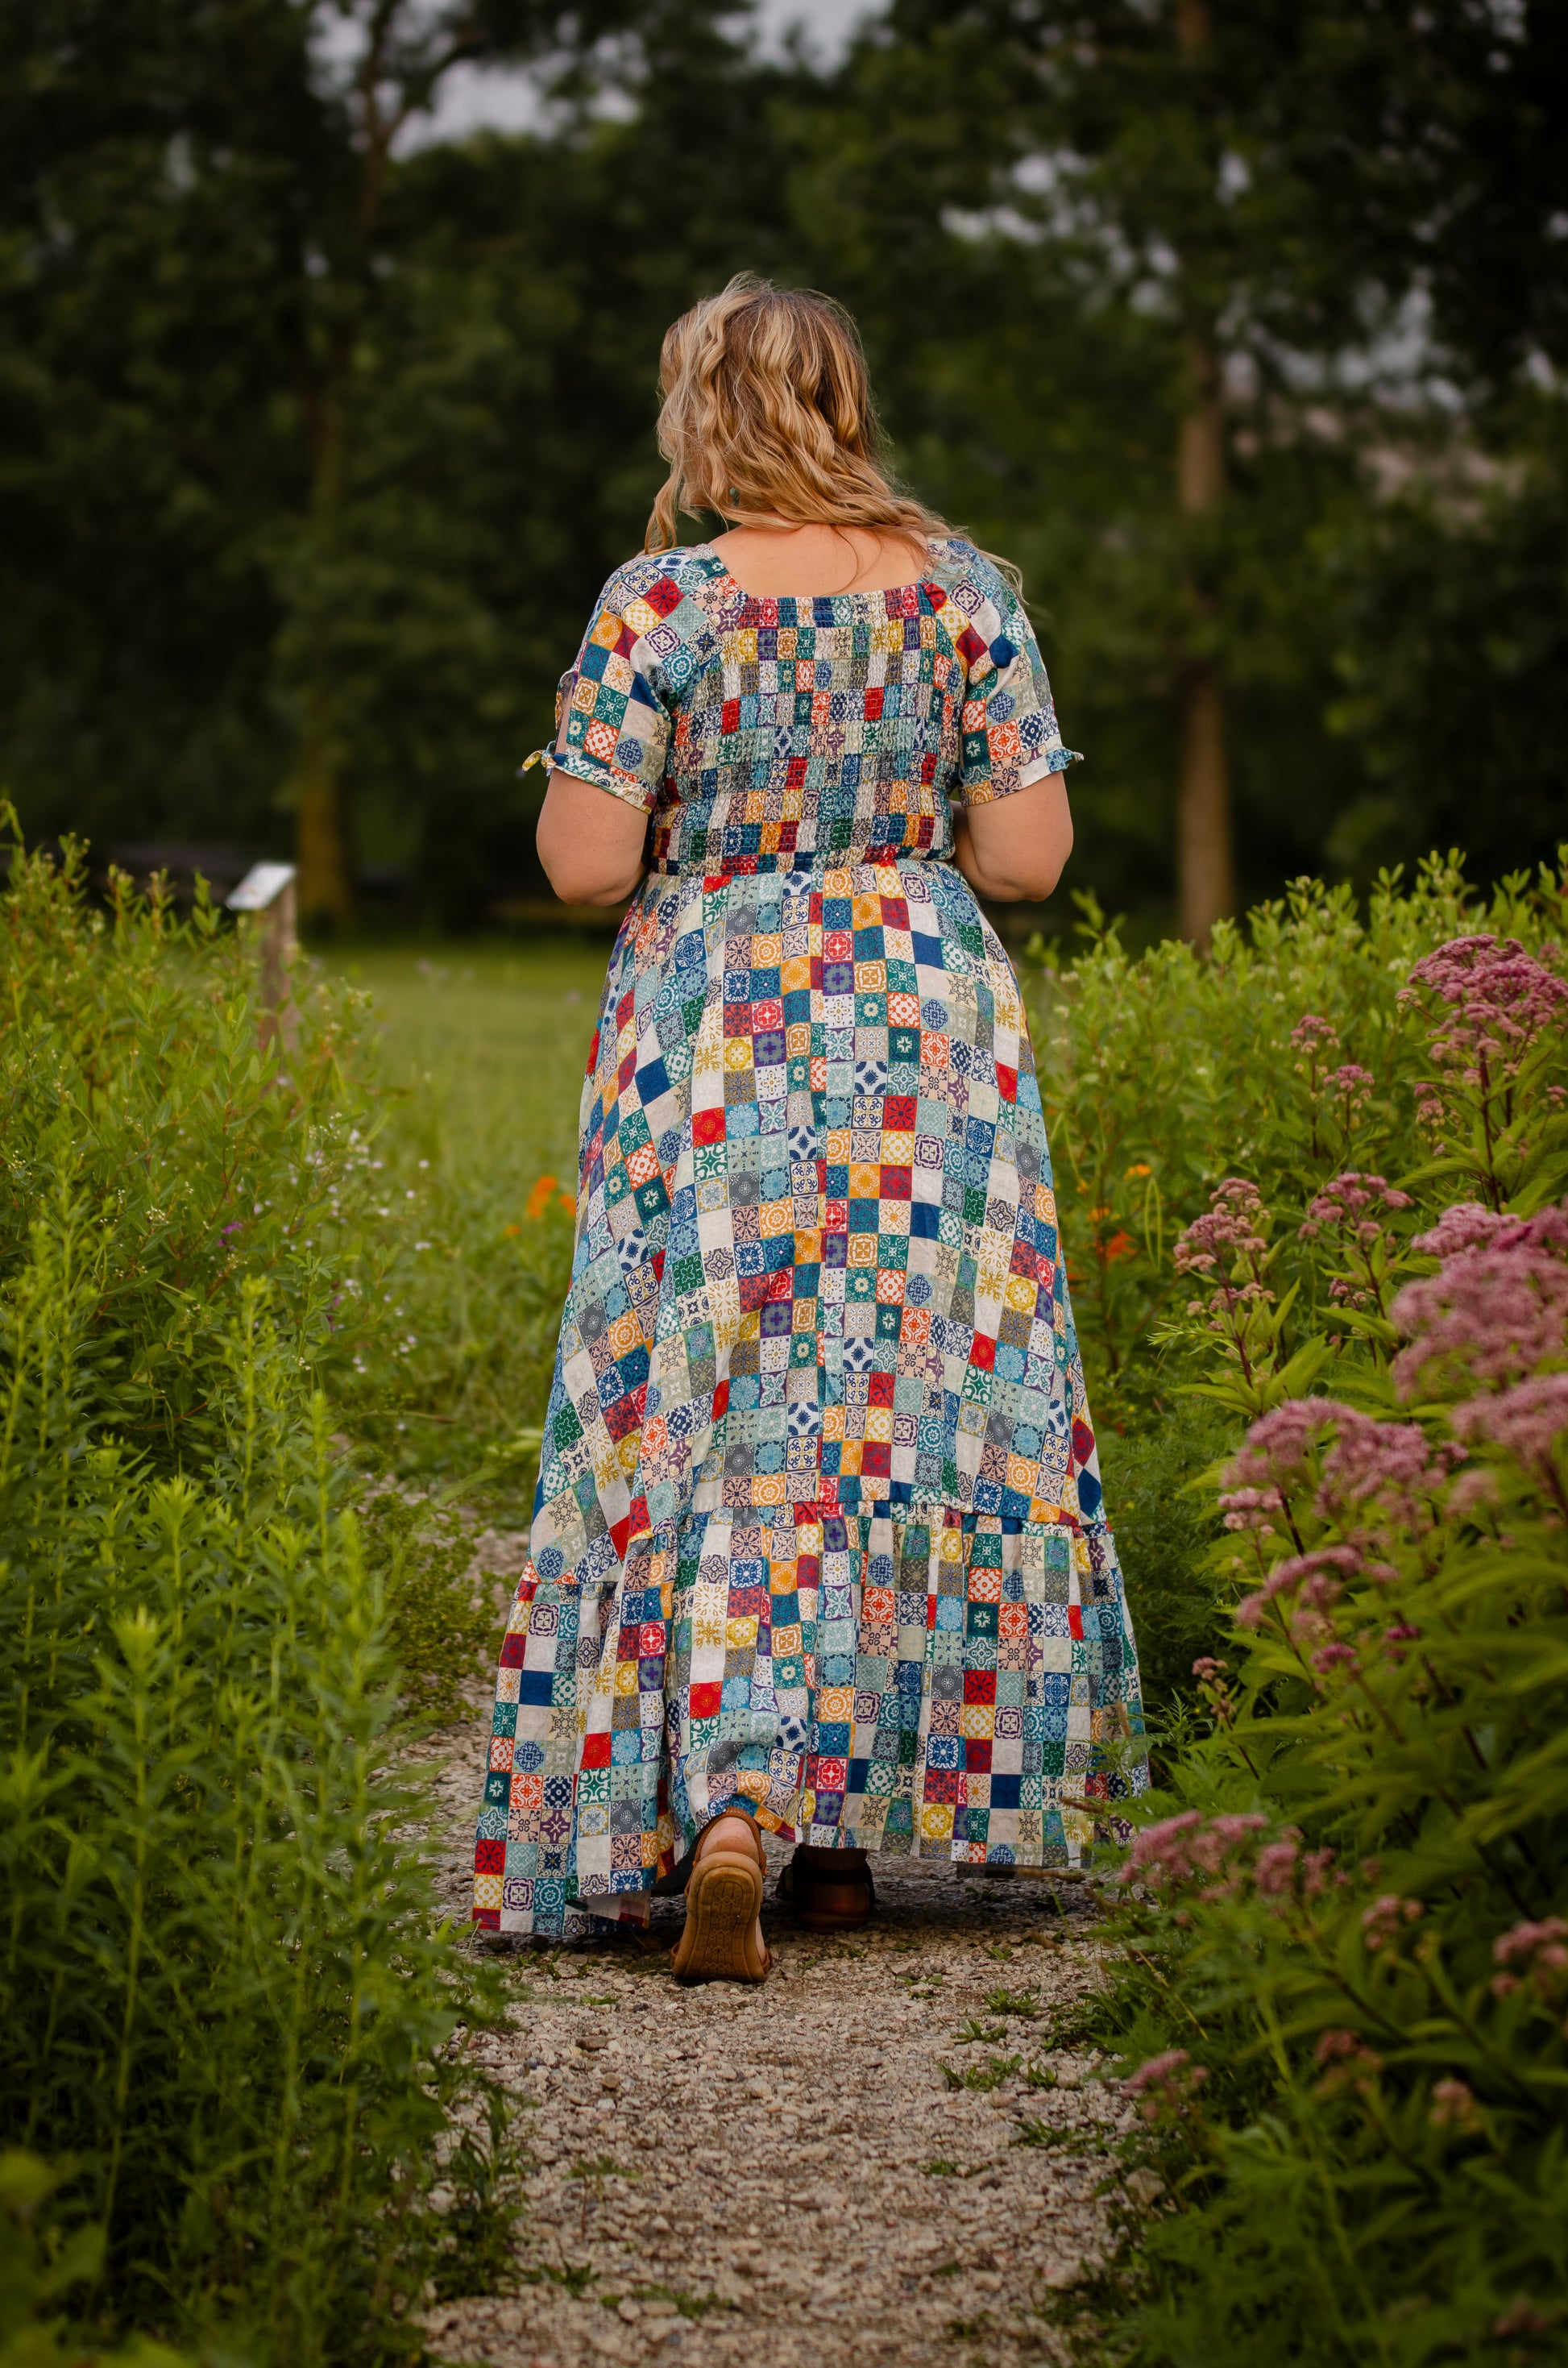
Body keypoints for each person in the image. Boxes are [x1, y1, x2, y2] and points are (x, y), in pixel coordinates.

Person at [472, 273, 1144, 1982]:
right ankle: (840, 1833)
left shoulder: (660, 605)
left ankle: (723, 1807)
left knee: (713, 1407)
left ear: (705, 411)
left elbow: (582, 864)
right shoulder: (969, 594)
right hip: (922, 1030)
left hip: (723, 1032)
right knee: (901, 1406)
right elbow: (1029, 858)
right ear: (846, 406)